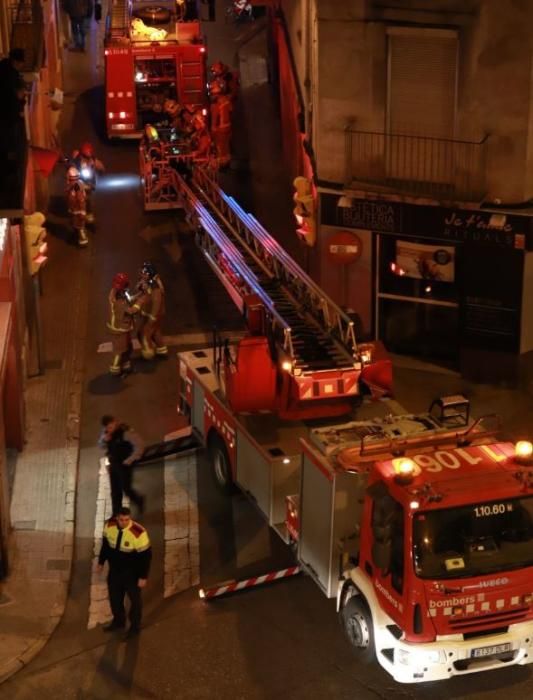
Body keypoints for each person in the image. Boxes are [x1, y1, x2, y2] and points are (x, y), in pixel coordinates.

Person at [97, 507, 152, 639]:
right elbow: (105, 545)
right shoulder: (109, 526)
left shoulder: (138, 533)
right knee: (115, 599)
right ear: (116, 518)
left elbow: (146, 557)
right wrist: (101, 561)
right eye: (121, 520)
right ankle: (119, 622)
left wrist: (143, 576)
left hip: (131, 574)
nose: (124, 522)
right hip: (115, 571)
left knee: (135, 602)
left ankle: (134, 628)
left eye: (127, 519)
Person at [99, 415, 145, 516]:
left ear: (115, 422)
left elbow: (139, 445)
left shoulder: (125, 432)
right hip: (114, 464)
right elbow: (101, 445)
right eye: (107, 428)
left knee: (126, 489)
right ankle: (116, 514)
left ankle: (139, 500)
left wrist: (130, 459)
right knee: (115, 491)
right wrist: (104, 440)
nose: (109, 430)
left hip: (125, 465)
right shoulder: (106, 432)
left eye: (111, 427)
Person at [107, 272, 140, 375]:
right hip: (120, 329)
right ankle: (115, 368)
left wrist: (138, 294)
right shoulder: (119, 301)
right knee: (119, 349)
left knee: (127, 346)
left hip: (123, 328)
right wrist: (140, 302)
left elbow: (129, 299)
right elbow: (130, 310)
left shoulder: (118, 293)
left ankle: (126, 364)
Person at [136, 262, 168, 359]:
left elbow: (156, 303)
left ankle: (148, 353)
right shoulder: (148, 283)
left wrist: (152, 317)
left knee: (144, 333)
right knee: (155, 331)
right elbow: (142, 292)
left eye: (143, 272)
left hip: (154, 314)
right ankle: (162, 351)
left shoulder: (155, 288)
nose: (141, 274)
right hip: (150, 313)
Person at [71, 141, 105, 222]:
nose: (86, 158)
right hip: (78, 181)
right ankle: (76, 212)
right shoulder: (77, 160)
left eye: (88, 157)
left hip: (89, 182)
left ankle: (89, 212)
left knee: (88, 198)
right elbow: (71, 165)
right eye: (84, 156)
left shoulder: (93, 161)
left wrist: (101, 171)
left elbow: (101, 167)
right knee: (76, 198)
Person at [65, 166, 89, 247]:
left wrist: (82, 212)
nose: (68, 181)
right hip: (74, 209)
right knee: (75, 224)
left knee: (80, 226)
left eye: (70, 179)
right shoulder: (73, 186)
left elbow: (81, 200)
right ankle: (76, 237)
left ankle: (83, 240)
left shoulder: (77, 186)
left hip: (78, 210)